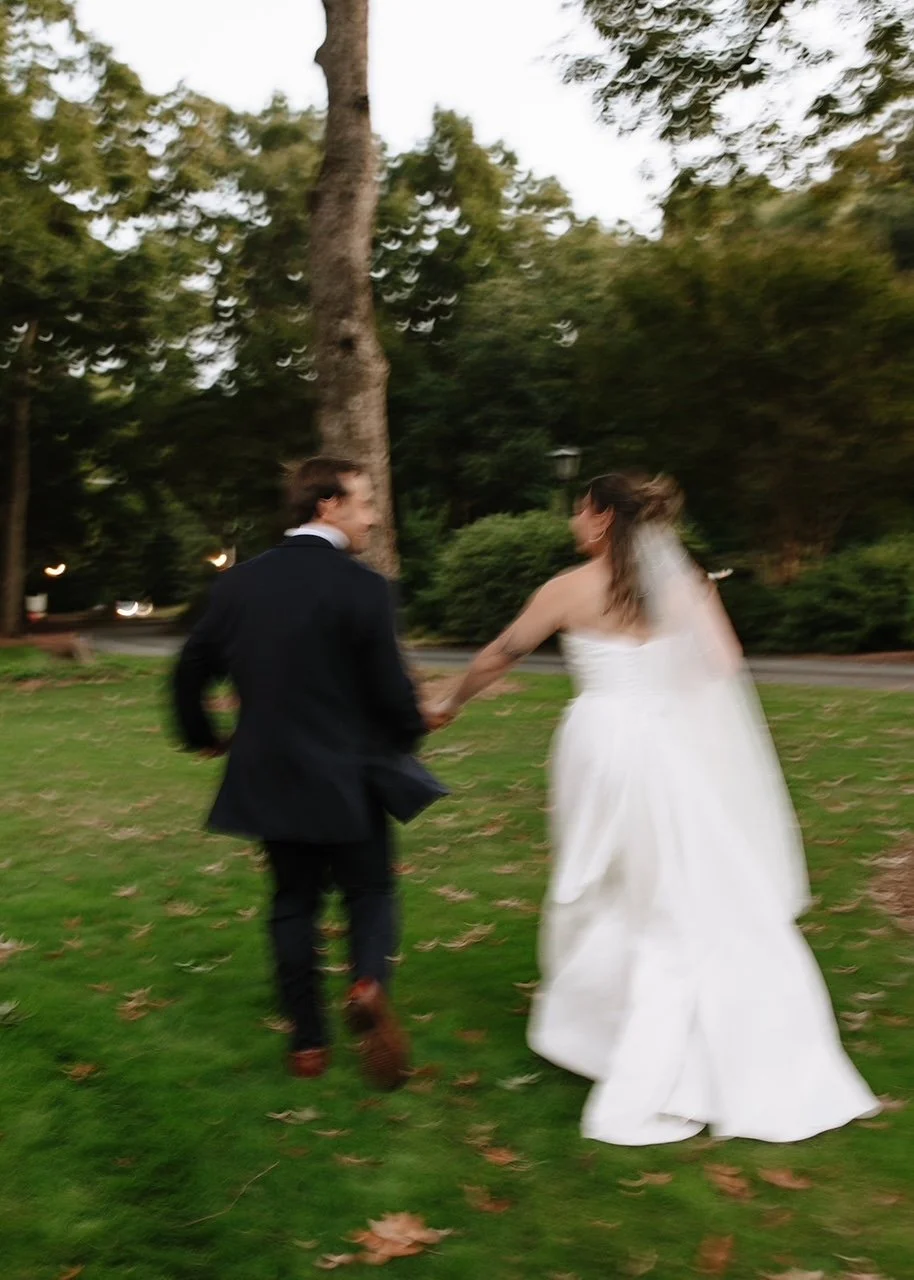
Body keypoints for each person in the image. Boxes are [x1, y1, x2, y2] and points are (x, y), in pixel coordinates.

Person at [433, 472, 880, 1145]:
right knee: (678, 883)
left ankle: (628, 1037)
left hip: (602, 743)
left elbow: (504, 653)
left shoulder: (568, 589)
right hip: (669, 746)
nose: (572, 521)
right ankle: (683, 1029)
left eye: (579, 510)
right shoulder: (684, 584)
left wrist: (452, 699)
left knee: (613, 881)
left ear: (602, 517)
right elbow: (723, 662)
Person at [173, 456, 439, 1091]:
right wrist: (412, 730)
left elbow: (188, 669)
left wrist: (204, 736)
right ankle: (368, 983)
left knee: (293, 902)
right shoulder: (365, 588)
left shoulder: (239, 585)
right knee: (369, 891)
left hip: (271, 773)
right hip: (350, 777)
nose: (374, 517)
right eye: (365, 502)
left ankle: (307, 1044)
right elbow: (390, 691)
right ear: (327, 504)